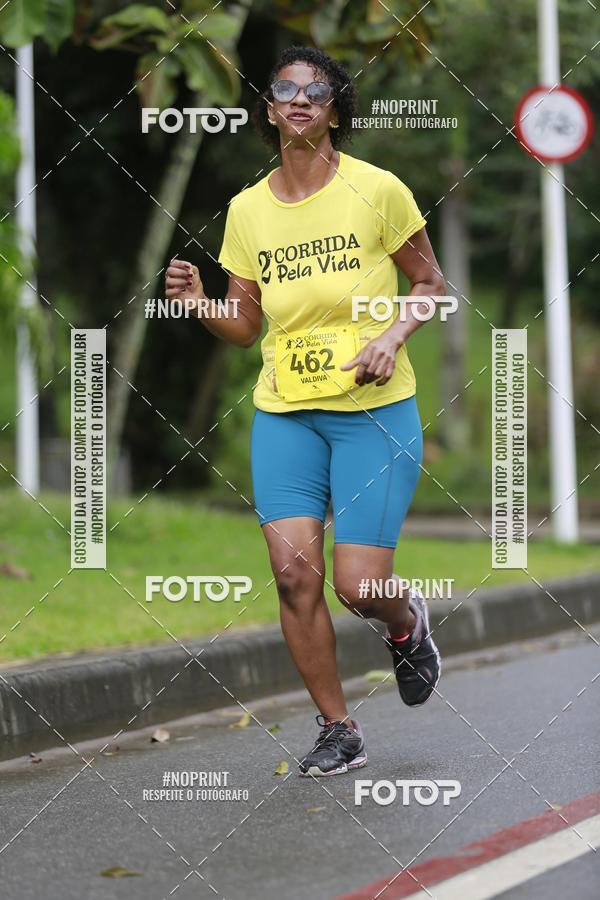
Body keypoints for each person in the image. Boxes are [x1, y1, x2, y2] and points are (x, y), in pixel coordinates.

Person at [165, 46, 445, 778]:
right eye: (283, 89)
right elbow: (246, 323)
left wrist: (392, 336)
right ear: (267, 108)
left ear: (334, 111)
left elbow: (430, 281)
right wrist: (201, 306)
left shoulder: (378, 190)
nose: (297, 100)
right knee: (294, 576)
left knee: (359, 586)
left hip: (373, 411)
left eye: (315, 92)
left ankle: (407, 626)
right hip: (286, 413)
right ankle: (337, 727)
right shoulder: (248, 210)